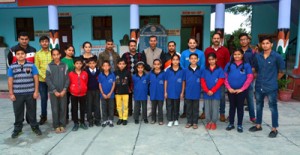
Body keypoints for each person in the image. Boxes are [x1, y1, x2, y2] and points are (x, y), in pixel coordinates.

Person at [249, 36, 285, 138]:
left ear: (271, 44)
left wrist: (273, 80)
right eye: (263, 43)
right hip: (259, 85)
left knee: (273, 107)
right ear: (261, 45)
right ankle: (258, 125)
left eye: (267, 43)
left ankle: (274, 128)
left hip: (271, 87)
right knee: (259, 105)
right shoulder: (258, 56)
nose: (265, 45)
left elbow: (282, 71)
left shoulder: (277, 56)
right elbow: (255, 69)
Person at [7, 48, 42, 138]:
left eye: (22, 53)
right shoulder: (12, 67)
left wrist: (36, 91)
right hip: (17, 94)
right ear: (16, 56)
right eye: (18, 54)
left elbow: (36, 78)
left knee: (32, 111)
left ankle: (34, 126)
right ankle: (17, 129)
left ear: (25, 55)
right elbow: (10, 80)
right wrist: (11, 93)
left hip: (30, 93)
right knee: (18, 112)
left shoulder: (32, 65)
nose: (20, 55)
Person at [203, 33, 230, 122]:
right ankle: (204, 111)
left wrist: (224, 75)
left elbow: (227, 64)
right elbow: (205, 63)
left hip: (220, 77)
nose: (216, 40)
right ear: (212, 39)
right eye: (214, 38)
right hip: (209, 75)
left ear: (220, 40)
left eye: (218, 38)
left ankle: (221, 113)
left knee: (221, 95)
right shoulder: (207, 50)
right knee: (207, 93)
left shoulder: (225, 50)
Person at [224, 49, 253, 133]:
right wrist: (229, 88)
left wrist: (242, 89)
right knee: (232, 107)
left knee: (240, 107)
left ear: (242, 55)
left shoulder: (246, 65)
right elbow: (225, 77)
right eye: (235, 54)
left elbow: (250, 77)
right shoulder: (229, 65)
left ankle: (239, 125)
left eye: (239, 54)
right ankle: (231, 123)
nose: (237, 56)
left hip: (242, 91)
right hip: (231, 90)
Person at [180, 37, 205, 118]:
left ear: (196, 44)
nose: (192, 44)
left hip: (197, 76)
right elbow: (181, 64)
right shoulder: (184, 53)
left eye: (194, 43)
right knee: (187, 94)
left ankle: (195, 113)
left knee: (196, 95)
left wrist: (198, 73)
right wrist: (187, 72)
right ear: (188, 44)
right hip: (187, 76)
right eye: (190, 43)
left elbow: (202, 65)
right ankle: (185, 112)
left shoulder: (201, 53)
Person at [46, 48, 69, 133]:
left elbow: (67, 79)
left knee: (63, 108)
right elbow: (47, 79)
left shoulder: (64, 65)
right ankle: (56, 125)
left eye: (57, 54)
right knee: (55, 109)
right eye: (54, 55)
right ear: (52, 56)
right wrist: (54, 90)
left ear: (60, 55)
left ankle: (62, 125)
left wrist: (64, 90)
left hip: (63, 91)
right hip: (53, 92)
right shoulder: (49, 66)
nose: (56, 56)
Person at [121, 40, 147, 116]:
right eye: (131, 46)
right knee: (128, 94)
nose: (133, 47)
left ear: (136, 46)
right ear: (129, 47)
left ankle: (137, 111)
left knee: (137, 94)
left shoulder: (140, 55)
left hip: (137, 77)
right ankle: (129, 111)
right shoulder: (125, 55)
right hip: (128, 77)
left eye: (134, 45)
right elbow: (122, 65)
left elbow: (144, 64)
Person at [201, 53, 225, 130]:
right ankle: (208, 121)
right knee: (207, 108)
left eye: (213, 59)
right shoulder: (205, 69)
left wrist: (213, 90)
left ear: (216, 59)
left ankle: (214, 122)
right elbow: (202, 80)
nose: (211, 61)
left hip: (216, 92)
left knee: (215, 107)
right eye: (209, 59)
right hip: (207, 92)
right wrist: (207, 90)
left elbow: (220, 81)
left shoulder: (219, 69)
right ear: (207, 60)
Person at [239, 33, 256, 123]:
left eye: (245, 39)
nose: (243, 41)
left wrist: (249, 77)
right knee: (236, 99)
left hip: (249, 80)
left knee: (249, 98)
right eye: (241, 40)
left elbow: (254, 67)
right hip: (238, 80)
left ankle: (252, 116)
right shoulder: (237, 52)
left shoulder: (252, 52)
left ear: (248, 40)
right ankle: (231, 116)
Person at [35, 36, 52, 125]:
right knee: (44, 99)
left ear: (48, 43)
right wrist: (44, 76)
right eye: (42, 41)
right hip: (42, 80)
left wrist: (50, 77)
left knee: (54, 98)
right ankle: (44, 116)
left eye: (46, 41)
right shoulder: (37, 54)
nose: (44, 43)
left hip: (52, 80)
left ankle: (56, 116)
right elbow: (36, 67)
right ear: (40, 43)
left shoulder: (52, 53)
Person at [164, 54, 184, 127]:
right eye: (174, 60)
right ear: (171, 61)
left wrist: (182, 92)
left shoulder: (182, 70)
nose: (175, 61)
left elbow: (183, 82)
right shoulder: (168, 70)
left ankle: (175, 119)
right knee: (169, 106)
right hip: (169, 92)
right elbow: (166, 81)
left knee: (176, 106)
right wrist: (165, 91)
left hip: (177, 92)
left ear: (179, 61)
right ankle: (170, 120)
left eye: (177, 60)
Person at [69, 58, 88, 131]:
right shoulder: (71, 74)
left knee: (83, 109)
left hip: (83, 94)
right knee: (74, 109)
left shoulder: (85, 73)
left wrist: (84, 88)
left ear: (82, 64)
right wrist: (72, 89)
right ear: (74, 64)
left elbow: (85, 82)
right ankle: (76, 123)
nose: (78, 65)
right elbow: (69, 83)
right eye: (77, 63)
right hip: (74, 94)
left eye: (80, 63)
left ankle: (82, 122)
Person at [183, 53, 202, 129]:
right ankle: (189, 121)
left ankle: (195, 122)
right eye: (192, 58)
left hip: (197, 92)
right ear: (189, 60)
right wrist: (183, 91)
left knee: (196, 108)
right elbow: (184, 81)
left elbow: (202, 80)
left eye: (195, 58)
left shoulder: (200, 70)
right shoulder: (185, 70)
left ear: (197, 60)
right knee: (188, 108)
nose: (193, 60)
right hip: (188, 92)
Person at [98, 60, 116, 127]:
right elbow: (99, 85)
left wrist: (110, 93)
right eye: (104, 66)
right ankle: (105, 120)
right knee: (104, 107)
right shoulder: (100, 75)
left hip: (111, 95)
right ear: (102, 67)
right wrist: (102, 93)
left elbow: (113, 84)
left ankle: (110, 120)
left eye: (107, 65)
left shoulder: (112, 74)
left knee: (111, 107)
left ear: (109, 66)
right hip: (103, 95)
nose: (106, 67)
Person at [114, 58, 131, 126]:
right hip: (117, 92)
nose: (121, 65)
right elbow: (113, 82)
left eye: (123, 64)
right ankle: (120, 118)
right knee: (118, 106)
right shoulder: (115, 73)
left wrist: (130, 89)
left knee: (126, 106)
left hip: (125, 92)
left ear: (125, 65)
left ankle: (125, 118)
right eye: (120, 64)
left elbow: (130, 82)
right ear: (117, 65)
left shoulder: (127, 73)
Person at [85, 57, 101, 127]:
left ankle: (97, 120)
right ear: (88, 64)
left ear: (96, 63)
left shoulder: (98, 71)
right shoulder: (86, 72)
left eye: (93, 63)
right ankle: (90, 120)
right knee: (89, 105)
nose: (92, 65)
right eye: (90, 63)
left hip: (97, 90)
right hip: (88, 91)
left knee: (97, 105)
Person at [61, 45, 75, 122]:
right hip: (65, 84)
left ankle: (74, 117)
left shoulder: (74, 60)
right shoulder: (62, 61)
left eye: (72, 50)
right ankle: (65, 118)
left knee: (74, 102)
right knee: (65, 102)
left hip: (74, 84)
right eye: (69, 50)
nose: (71, 52)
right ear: (65, 51)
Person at [149, 59, 165, 125]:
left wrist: (165, 92)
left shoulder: (164, 73)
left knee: (160, 108)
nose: (156, 65)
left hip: (161, 93)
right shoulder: (150, 73)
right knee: (153, 107)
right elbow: (147, 82)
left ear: (160, 65)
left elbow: (166, 83)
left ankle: (160, 120)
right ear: (153, 65)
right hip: (153, 93)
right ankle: (153, 119)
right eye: (155, 64)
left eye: (158, 64)